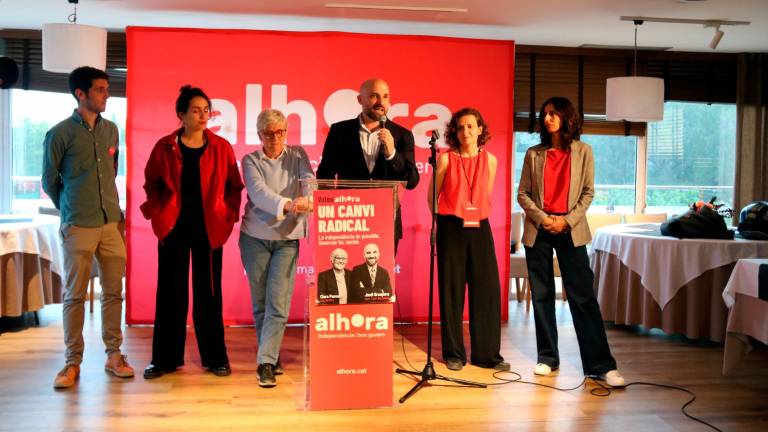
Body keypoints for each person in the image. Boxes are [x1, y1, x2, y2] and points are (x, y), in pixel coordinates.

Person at [517, 96, 625, 387]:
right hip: (539, 230)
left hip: (571, 229)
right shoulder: (533, 154)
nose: (548, 118)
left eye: (553, 113)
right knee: (541, 295)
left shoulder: (584, 151)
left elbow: (588, 193)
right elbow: (523, 194)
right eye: (545, 114)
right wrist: (544, 219)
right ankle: (547, 358)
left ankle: (601, 365)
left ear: (567, 118)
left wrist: (567, 220)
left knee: (583, 297)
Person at [140, 85, 244, 380]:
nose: (203, 115)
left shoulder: (221, 147)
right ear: (181, 115)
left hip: (209, 231)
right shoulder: (164, 146)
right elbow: (152, 183)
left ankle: (215, 358)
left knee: (209, 295)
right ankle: (164, 359)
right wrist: (160, 213)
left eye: (206, 110)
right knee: (170, 294)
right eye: (196, 110)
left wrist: (227, 216)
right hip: (173, 229)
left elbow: (234, 187)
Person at [42, 66, 134, 389]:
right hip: (78, 224)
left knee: (113, 292)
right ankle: (72, 363)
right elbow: (50, 182)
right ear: (81, 93)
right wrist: (70, 208)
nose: (106, 94)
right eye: (99, 89)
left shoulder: (111, 131)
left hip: (111, 222)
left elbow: (112, 171)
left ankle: (114, 355)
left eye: (107, 88)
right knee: (75, 295)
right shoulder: (59, 134)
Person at [238, 109, 315, 388]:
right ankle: (269, 355)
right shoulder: (250, 160)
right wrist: (290, 204)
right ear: (259, 135)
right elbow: (258, 194)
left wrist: (307, 197)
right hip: (254, 237)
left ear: (286, 133)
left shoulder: (297, 155)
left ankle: (265, 363)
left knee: (278, 303)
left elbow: (309, 180)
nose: (274, 138)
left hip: (287, 240)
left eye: (280, 132)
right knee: (261, 304)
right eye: (268, 133)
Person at [428, 107, 508, 373]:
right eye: (460, 128)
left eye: (471, 126)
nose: (466, 132)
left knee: (486, 290)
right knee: (451, 292)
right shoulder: (446, 160)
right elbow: (432, 197)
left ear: (480, 129)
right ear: (455, 132)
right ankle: (454, 354)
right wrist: (445, 221)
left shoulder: (492, 161)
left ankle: (486, 354)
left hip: (479, 227)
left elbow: (484, 193)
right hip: (451, 227)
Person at [316, 78, 420, 252]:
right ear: (360, 100)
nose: (381, 102)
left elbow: (412, 181)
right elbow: (325, 173)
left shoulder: (403, 136)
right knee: (347, 277)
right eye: (374, 96)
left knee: (381, 279)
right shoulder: (339, 131)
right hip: (349, 222)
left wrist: (392, 154)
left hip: (385, 222)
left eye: (385, 97)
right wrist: (331, 210)